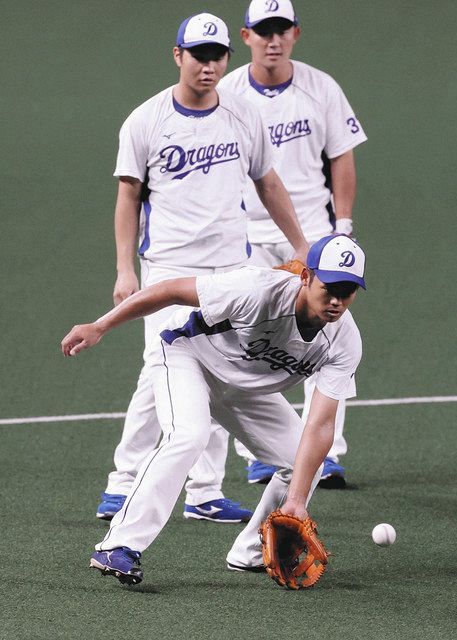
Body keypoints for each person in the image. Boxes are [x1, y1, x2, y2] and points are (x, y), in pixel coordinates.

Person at [96, 12, 309, 525]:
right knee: (165, 369)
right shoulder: (145, 121)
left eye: (217, 57)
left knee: (218, 368)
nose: (209, 66)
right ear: (178, 56)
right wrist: (125, 269)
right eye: (199, 55)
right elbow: (129, 197)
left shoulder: (241, 116)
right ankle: (124, 483)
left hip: (230, 266)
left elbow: (269, 182)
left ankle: (203, 491)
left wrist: (301, 245)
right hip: (168, 264)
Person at [62, 234, 366, 584]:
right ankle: (118, 546)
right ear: (306, 277)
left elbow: (321, 425)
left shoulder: (344, 342)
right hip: (187, 354)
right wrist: (100, 326)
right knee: (189, 435)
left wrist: (296, 501)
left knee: (306, 461)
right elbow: (170, 290)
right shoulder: (257, 289)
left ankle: (252, 551)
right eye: (329, 288)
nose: (337, 301)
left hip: (243, 386)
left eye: (348, 291)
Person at [219, 0, 367, 488]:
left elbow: (341, 156)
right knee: (250, 339)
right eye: (264, 30)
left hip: (317, 240)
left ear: (296, 34)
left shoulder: (321, 87)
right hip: (249, 238)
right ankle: (261, 453)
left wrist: (341, 225)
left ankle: (325, 454)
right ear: (246, 37)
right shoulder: (228, 92)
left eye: (281, 29)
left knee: (328, 337)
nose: (273, 39)